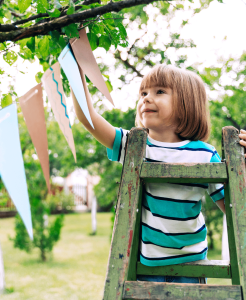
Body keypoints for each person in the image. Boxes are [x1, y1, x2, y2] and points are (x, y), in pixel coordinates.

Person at [71, 64, 246, 284]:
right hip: (145, 266)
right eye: (143, 93)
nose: (146, 98)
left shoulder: (204, 154)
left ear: (187, 103)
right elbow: (87, 117)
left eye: (159, 91)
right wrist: (76, 68)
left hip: (191, 265)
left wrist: (243, 172)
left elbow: (236, 210)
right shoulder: (134, 146)